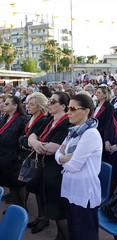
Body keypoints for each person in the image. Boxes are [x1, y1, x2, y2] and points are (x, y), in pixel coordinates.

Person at [55, 94, 102, 240]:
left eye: (73, 108)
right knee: (74, 231)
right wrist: (63, 158)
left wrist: (62, 159)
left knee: (85, 234)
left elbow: (74, 166)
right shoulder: (74, 131)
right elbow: (58, 153)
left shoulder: (90, 134)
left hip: (84, 191)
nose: (68, 112)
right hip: (72, 188)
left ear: (86, 111)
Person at [28, 92, 71, 239]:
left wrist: (35, 143)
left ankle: (64, 236)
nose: (49, 104)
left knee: (59, 210)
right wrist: (35, 142)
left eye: (53, 102)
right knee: (50, 204)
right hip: (44, 167)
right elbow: (31, 136)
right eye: (49, 101)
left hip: (56, 172)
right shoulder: (49, 120)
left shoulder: (67, 123)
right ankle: (59, 235)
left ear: (63, 106)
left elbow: (53, 148)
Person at [18, 92, 49, 233]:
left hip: (37, 160)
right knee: (35, 189)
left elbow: (29, 142)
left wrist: (24, 141)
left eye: (31, 104)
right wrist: (25, 141)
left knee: (39, 191)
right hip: (29, 158)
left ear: (39, 106)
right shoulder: (32, 118)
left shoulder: (43, 120)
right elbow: (24, 139)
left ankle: (43, 219)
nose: (27, 106)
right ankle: (40, 217)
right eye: (27, 103)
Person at [0, 96, 28, 206]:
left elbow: (22, 140)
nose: (3, 105)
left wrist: (18, 157)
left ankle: (22, 211)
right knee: (11, 187)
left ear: (15, 106)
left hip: (15, 159)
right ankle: (15, 209)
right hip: (5, 156)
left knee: (18, 187)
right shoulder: (5, 118)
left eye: (7, 104)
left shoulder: (22, 119)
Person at [94, 85, 114, 162]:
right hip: (94, 134)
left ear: (105, 95)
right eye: (96, 92)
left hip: (102, 135)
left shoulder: (109, 107)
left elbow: (108, 124)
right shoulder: (96, 105)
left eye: (99, 93)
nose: (96, 94)